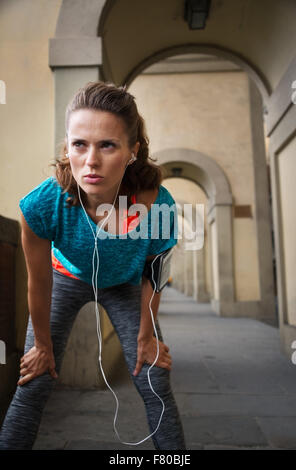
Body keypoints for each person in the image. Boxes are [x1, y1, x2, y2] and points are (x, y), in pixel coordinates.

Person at [0, 81, 186, 450]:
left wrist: (147, 337)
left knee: (155, 378)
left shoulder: (157, 203)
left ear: (132, 151)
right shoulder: (41, 205)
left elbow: (155, 271)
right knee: (34, 379)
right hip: (65, 277)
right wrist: (41, 345)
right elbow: (38, 282)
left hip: (126, 284)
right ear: (67, 147)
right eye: (79, 144)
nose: (91, 161)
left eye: (108, 145)